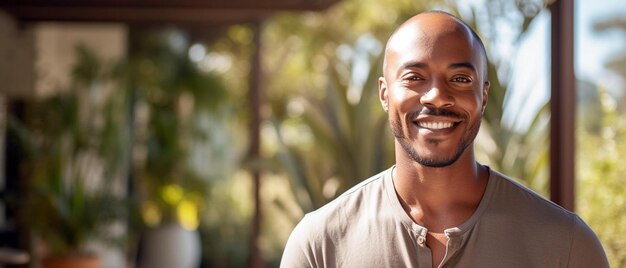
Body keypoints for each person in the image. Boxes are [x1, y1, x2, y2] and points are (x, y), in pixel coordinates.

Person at [280, 10, 609, 268]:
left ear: (483, 96)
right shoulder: (320, 245)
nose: (437, 96)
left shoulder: (566, 247)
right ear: (384, 93)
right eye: (414, 77)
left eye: (460, 78)